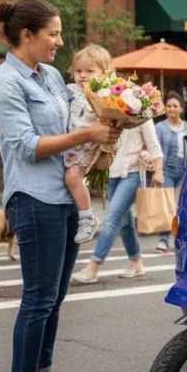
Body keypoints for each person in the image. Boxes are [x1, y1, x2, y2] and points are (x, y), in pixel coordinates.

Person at [0, 0, 120, 372]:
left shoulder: (53, 76)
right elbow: (26, 145)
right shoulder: (4, 83)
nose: (60, 42)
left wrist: (107, 132)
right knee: (37, 299)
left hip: (62, 197)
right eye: (54, 34)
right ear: (28, 36)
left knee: (55, 298)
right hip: (34, 197)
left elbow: (75, 123)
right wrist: (87, 132)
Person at [71, 111, 163, 283]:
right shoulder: (109, 112)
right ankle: (136, 263)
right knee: (125, 222)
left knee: (112, 219)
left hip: (132, 173)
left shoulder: (142, 114)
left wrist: (159, 171)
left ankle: (93, 267)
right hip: (111, 174)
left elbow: (154, 145)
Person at [63, 45, 114, 244]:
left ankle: (87, 218)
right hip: (71, 141)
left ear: (104, 73)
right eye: (78, 71)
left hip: (88, 144)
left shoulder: (104, 94)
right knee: (70, 177)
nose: (83, 76)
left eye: (89, 71)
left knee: (73, 176)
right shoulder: (71, 90)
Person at [153, 92, 187, 254]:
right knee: (167, 206)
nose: (171, 109)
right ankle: (163, 240)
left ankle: (179, 240)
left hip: (185, 171)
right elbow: (155, 149)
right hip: (166, 170)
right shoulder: (159, 128)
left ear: (181, 108)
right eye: (168, 106)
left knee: (182, 207)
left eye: (175, 106)